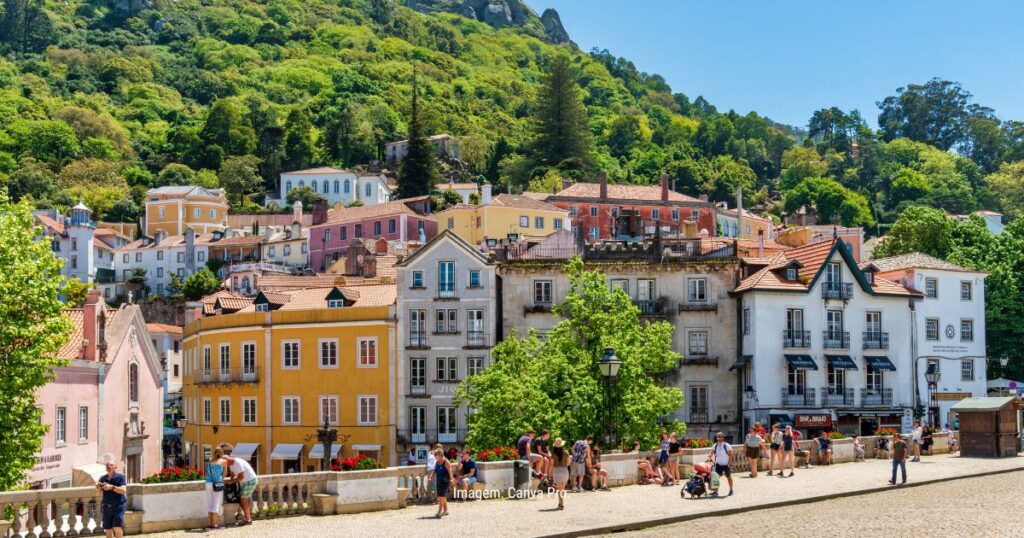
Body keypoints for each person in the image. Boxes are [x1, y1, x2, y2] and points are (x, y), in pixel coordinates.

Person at [222, 447, 258, 526]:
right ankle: (247, 518)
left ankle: (248, 520)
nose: (224, 465)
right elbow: (232, 473)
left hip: (250, 481)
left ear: (227, 460)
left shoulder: (237, 463)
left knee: (243, 499)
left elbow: (241, 477)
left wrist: (230, 481)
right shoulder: (231, 463)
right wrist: (231, 480)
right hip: (247, 481)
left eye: (224, 463)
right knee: (244, 500)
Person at [96, 456, 127, 538]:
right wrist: (98, 488)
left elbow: (123, 490)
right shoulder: (102, 478)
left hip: (118, 506)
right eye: (107, 465)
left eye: (111, 465)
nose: (108, 467)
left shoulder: (120, 477)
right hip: (107, 507)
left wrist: (111, 487)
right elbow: (97, 494)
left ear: (115, 467)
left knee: (116, 527)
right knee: (108, 530)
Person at [205, 446, 227, 530]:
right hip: (217, 483)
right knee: (216, 504)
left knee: (210, 503)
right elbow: (224, 474)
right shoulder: (224, 461)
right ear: (222, 453)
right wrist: (220, 477)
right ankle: (215, 525)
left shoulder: (210, 460)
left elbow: (207, 471)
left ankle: (211, 523)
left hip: (208, 483)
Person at [550, 438, 570, 510]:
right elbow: (568, 463)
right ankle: (562, 503)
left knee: (559, 489)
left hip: (557, 471)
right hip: (564, 471)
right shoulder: (566, 452)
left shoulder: (553, 454)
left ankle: (560, 503)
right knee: (563, 488)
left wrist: (550, 474)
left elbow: (551, 465)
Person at [433, 448, 453, 518]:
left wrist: (451, 479)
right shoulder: (437, 462)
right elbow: (435, 470)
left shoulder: (446, 461)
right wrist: (431, 476)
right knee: (441, 497)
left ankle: (440, 511)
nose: (434, 456)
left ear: (440, 455)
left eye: (435, 454)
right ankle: (446, 510)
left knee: (441, 496)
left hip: (445, 481)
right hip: (439, 480)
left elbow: (450, 470)